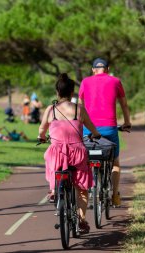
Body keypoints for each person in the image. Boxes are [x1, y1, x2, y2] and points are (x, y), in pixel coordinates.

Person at [38, 73, 101, 234]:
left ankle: (53, 189)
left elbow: (42, 129)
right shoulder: (79, 109)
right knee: (81, 187)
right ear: (72, 93)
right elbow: (92, 128)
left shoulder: (50, 109)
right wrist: (95, 134)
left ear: (57, 92)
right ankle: (81, 219)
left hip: (58, 152)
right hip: (77, 152)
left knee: (50, 160)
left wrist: (41, 137)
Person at [78, 58, 131, 208]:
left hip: (89, 130)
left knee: (86, 161)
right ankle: (114, 195)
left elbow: (80, 106)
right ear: (107, 69)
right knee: (115, 163)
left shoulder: (85, 82)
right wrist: (127, 122)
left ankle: (88, 190)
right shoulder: (115, 81)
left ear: (93, 69)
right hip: (109, 129)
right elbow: (124, 104)